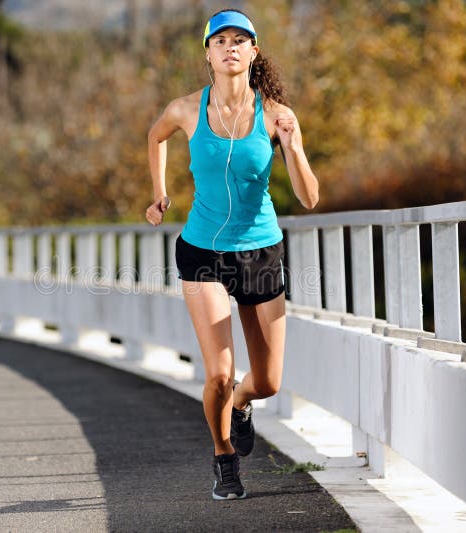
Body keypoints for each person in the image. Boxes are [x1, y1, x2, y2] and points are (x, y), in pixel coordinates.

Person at [145, 8, 319, 500]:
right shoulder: (185, 109)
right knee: (219, 373)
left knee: (265, 381)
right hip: (202, 252)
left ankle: (244, 404)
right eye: (220, 40)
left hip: (260, 252)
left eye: (240, 40)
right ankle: (224, 456)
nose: (230, 47)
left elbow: (309, 198)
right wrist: (159, 193)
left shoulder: (275, 114)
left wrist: (294, 146)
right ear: (208, 53)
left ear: (253, 52)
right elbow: (155, 137)